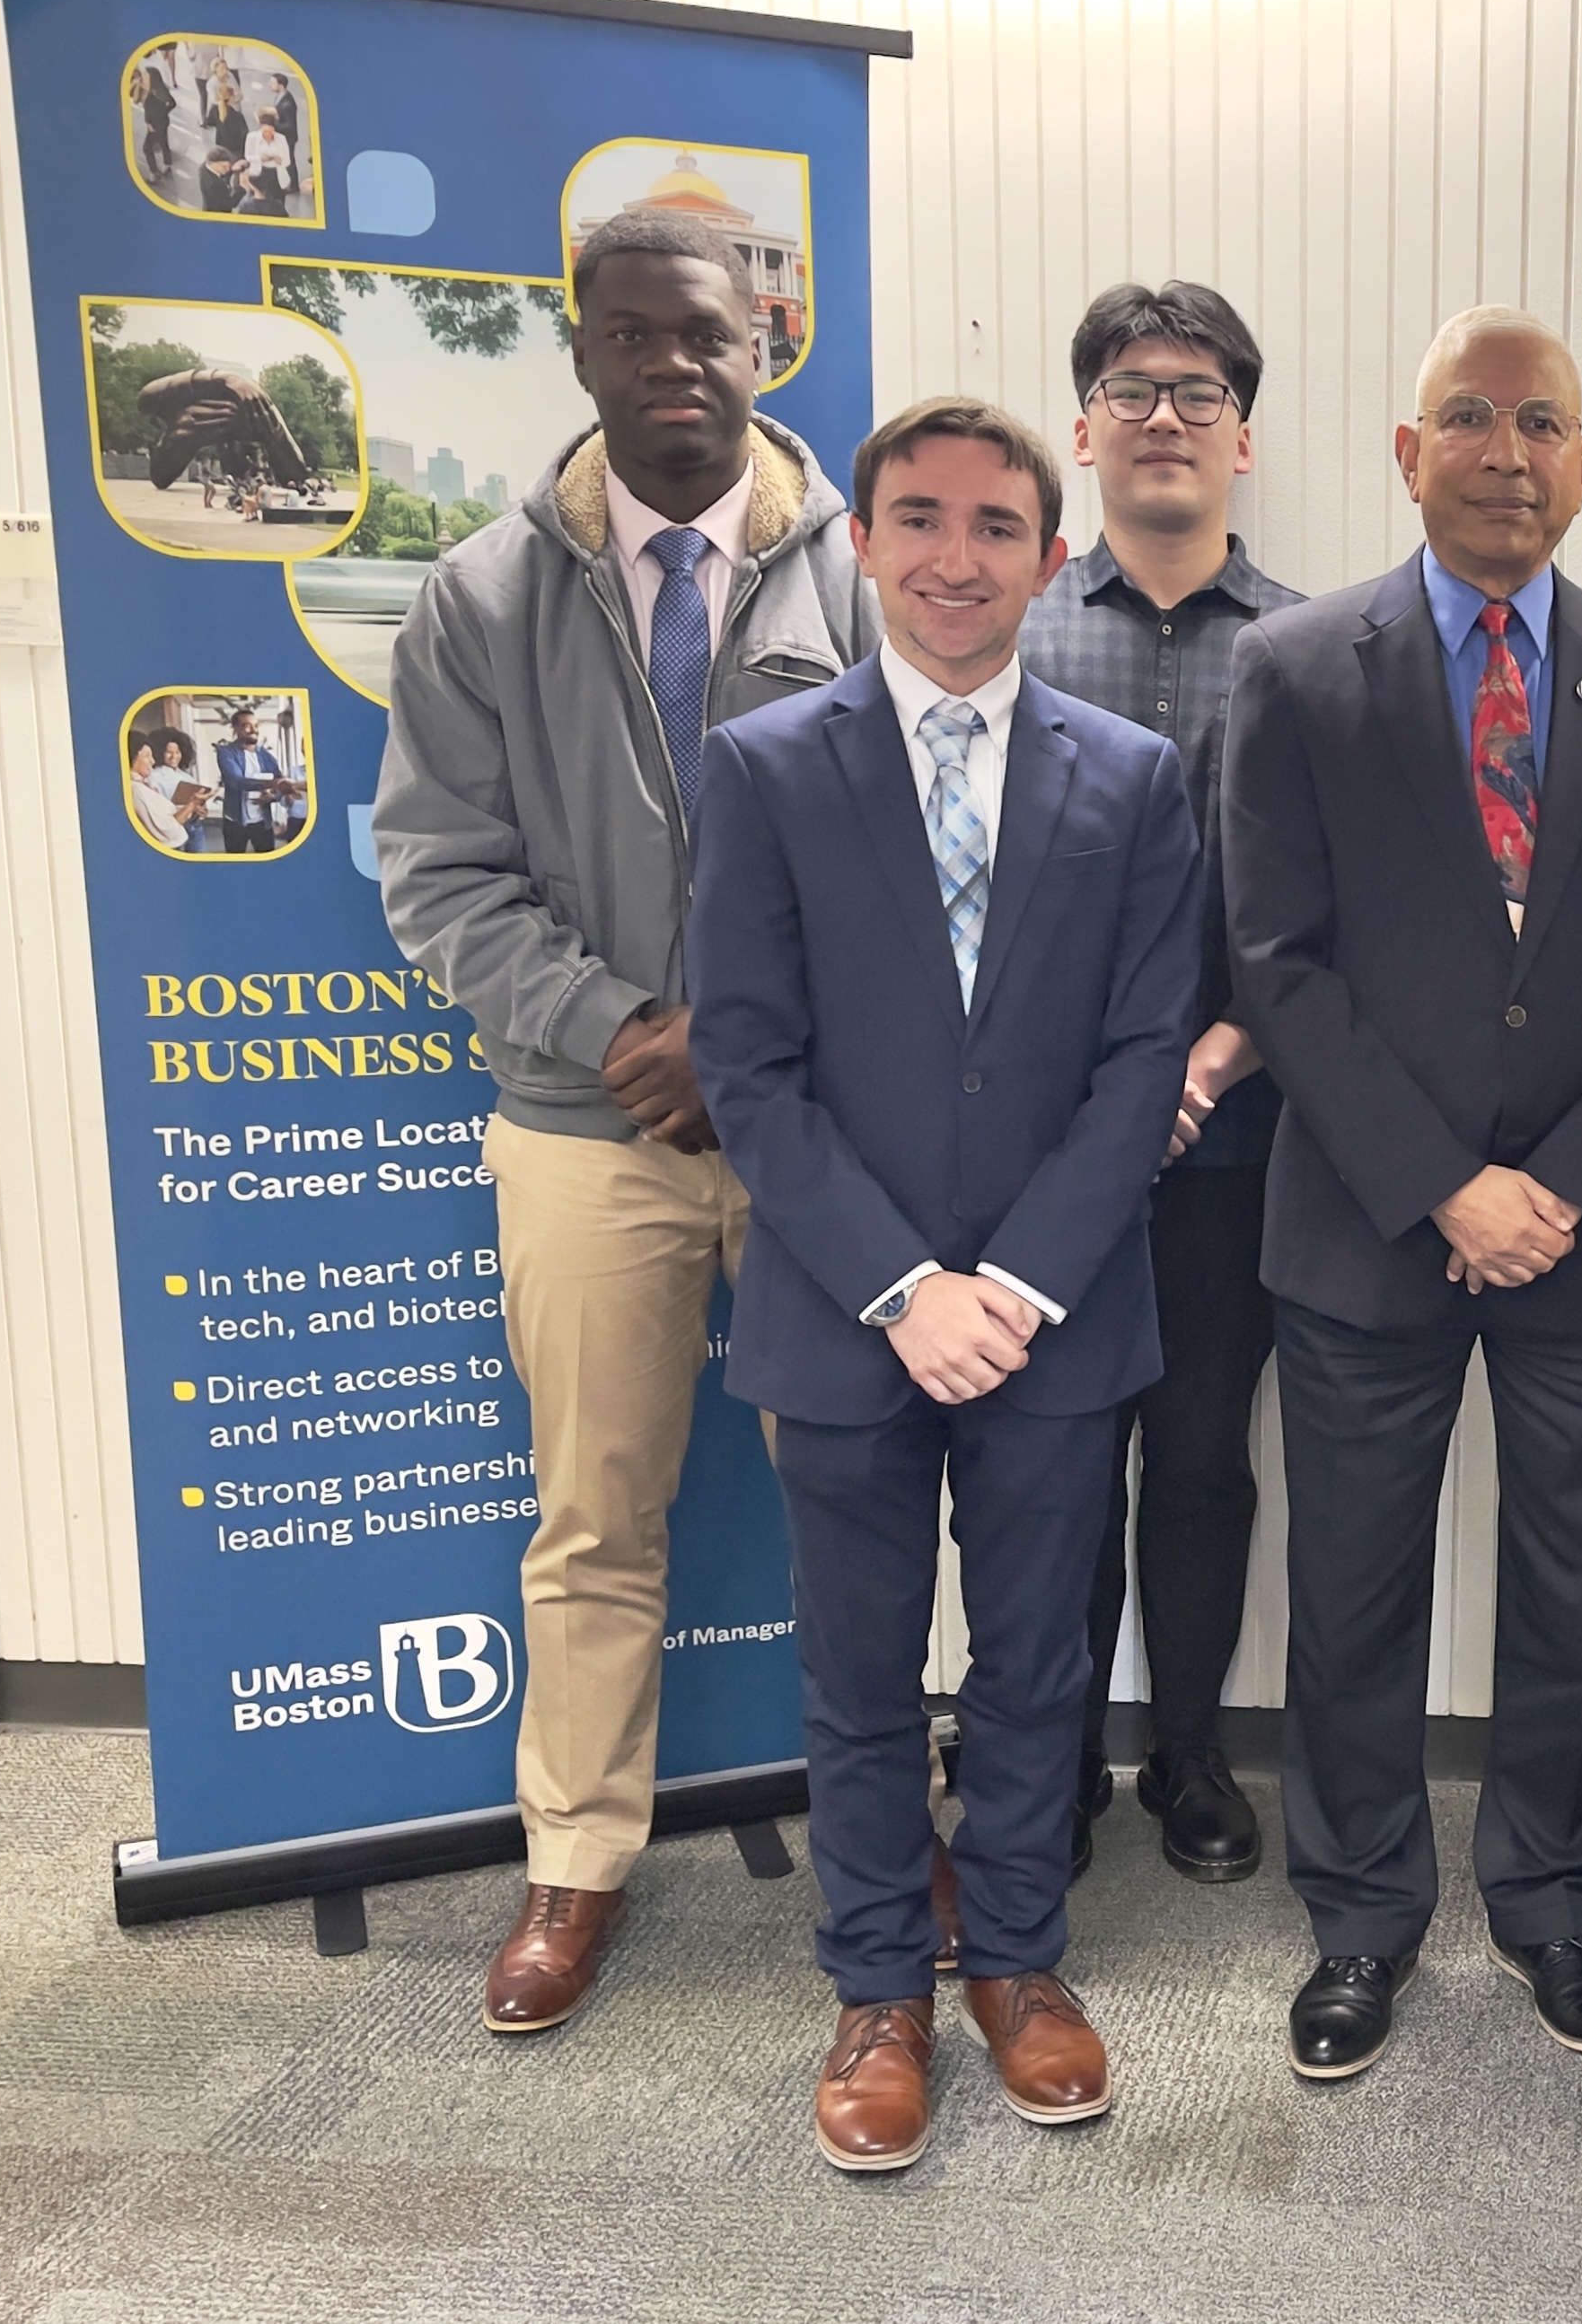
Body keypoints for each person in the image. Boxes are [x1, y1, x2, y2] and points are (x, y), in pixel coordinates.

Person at [1220, 305, 1582, 2081]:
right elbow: (1279, 959)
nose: (1507, 449)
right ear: (1407, 450)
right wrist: (1448, 1181)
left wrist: (1573, 1178)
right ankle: (1362, 1912)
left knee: (1573, 1581)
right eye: (1469, 414)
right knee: (1355, 1588)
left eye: (1543, 422)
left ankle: (1547, 1895)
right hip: (1370, 1222)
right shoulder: (1297, 668)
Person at [374, 210, 874, 2038]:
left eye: (713, 337)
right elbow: (440, 877)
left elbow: (913, 869)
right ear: (577, 350)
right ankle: (575, 1857)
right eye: (637, 337)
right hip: (586, 1132)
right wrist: (617, 1025)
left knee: (872, 1493)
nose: (679, 366)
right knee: (594, 1513)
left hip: (820, 1129)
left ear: (768, 347)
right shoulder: (480, 597)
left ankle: (896, 1837)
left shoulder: (862, 580)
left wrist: (744, 1046)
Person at [688, 397, 1203, 2172]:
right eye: (918, 516)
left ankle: (1021, 1962)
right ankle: (877, 1984)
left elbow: (1143, 1062)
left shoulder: (1130, 780)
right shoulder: (763, 767)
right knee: (855, 1669)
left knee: (1036, 1663)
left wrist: (1018, 1284)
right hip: (843, 1311)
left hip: (1057, 1320)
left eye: (995, 524)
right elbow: (748, 1070)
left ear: (1046, 555)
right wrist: (908, 1284)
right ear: (865, 541)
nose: (954, 554)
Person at [1025, 281, 1304, 1887]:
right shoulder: (1009, 627)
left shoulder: (1313, 644)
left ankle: (1188, 1752)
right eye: (1131, 389)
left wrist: (1213, 1054)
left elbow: (1329, 901)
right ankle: (1044, 1759)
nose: (1164, 417)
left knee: (1200, 1458)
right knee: (1052, 1454)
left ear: (1243, 438)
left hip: (1235, 1136)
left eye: (1199, 393)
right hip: (1040, 1151)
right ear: (1083, 430)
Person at [136, 370, 307, 494]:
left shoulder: (257, 416)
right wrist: (226, 379)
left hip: (238, 421)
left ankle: (183, 438)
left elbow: (297, 474)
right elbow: (147, 395)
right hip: (197, 420)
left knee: (261, 422)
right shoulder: (250, 410)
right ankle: (183, 438)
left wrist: (275, 435)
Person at [212, 703, 297, 854]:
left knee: (267, 863)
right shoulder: (226, 753)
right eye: (247, 726)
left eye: (256, 725)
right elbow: (236, 782)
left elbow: (281, 784)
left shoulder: (267, 756)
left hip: (263, 822)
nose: (254, 730)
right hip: (235, 821)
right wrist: (272, 783)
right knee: (235, 865)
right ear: (236, 729)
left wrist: (273, 796)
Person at [129, 732, 207, 852]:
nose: (174, 757)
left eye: (177, 752)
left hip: (193, 825)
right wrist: (189, 806)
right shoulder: (151, 777)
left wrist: (199, 808)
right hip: (173, 827)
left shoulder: (187, 777)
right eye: (169, 752)